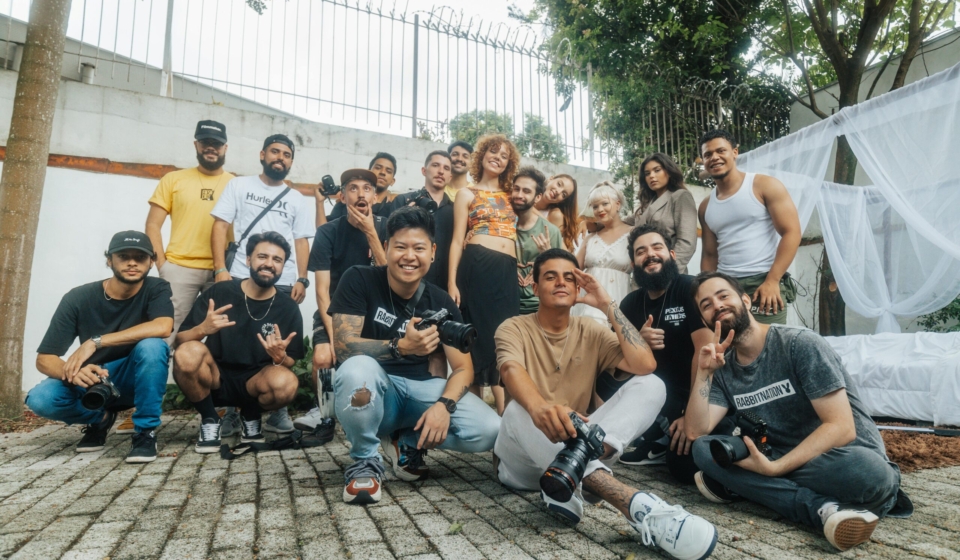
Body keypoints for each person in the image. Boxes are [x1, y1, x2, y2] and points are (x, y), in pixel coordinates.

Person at [494, 249, 718, 560]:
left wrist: (606, 304)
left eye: (569, 277)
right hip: (521, 462)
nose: (561, 282)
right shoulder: (513, 327)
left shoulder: (591, 330)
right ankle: (637, 505)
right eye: (550, 277)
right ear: (534, 287)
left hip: (577, 447)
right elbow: (510, 369)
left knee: (653, 385)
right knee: (518, 409)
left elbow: (645, 364)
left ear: (578, 287)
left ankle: (572, 477)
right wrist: (541, 408)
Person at [686, 271, 912, 552]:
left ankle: (747, 486)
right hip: (783, 457)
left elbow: (841, 428)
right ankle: (823, 510)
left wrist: (774, 469)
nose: (717, 305)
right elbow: (696, 431)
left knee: (871, 472)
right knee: (703, 450)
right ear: (705, 320)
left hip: (839, 459)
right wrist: (704, 373)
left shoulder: (798, 343)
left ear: (745, 300)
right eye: (706, 305)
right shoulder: (723, 367)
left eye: (723, 296)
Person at [329, 207, 501, 504]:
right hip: (377, 393)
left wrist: (444, 406)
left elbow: (463, 369)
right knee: (357, 369)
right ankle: (365, 461)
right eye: (401, 247)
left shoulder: (440, 301)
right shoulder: (359, 278)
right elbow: (344, 347)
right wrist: (401, 347)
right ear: (386, 247)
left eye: (419, 248)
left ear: (432, 252)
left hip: (420, 393)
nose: (409, 256)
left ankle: (406, 439)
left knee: (490, 429)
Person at [26, 231, 173, 463]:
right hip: (92, 381)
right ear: (109, 260)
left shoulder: (156, 288)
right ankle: (100, 419)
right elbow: (44, 358)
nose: (132, 262)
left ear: (151, 262)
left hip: (133, 376)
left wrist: (96, 341)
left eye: (140, 257)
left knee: (153, 346)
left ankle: (145, 432)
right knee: (40, 398)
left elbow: (163, 326)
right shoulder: (78, 297)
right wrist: (74, 373)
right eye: (123, 256)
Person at [210, 134, 313, 434]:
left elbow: (301, 240)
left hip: (283, 281)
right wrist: (220, 269)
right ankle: (232, 410)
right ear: (262, 154)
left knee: (276, 344)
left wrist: (302, 278)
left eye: (286, 154)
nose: (280, 158)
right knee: (234, 341)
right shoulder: (239, 185)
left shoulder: (296, 198)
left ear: (291, 162)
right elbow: (220, 225)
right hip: (240, 276)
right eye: (274, 151)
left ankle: (278, 411)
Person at [173, 232, 304, 454]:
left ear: (283, 266)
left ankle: (250, 415)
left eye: (277, 259)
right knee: (187, 353)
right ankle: (209, 418)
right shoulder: (220, 291)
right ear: (248, 259)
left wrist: (280, 357)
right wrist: (202, 329)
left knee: (287, 383)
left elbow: (290, 361)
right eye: (262, 256)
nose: (269, 264)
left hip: (256, 381)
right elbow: (179, 341)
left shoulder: (287, 307)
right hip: (215, 377)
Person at [615, 226, 714, 481]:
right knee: (606, 375)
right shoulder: (630, 303)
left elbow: (705, 354)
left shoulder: (690, 288)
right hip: (656, 393)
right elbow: (614, 363)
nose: (650, 254)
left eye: (657, 247)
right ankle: (651, 432)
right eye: (641, 251)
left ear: (671, 254)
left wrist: (690, 413)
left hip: (698, 393)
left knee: (683, 468)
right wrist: (637, 341)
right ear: (633, 264)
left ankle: (665, 435)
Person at [299, 169, 388, 432]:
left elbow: (390, 278)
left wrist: (371, 233)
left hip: (375, 313)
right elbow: (322, 291)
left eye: (367, 188)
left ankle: (380, 413)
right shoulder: (328, 232)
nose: (361, 194)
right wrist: (335, 338)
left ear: (374, 196)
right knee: (323, 357)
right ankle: (324, 413)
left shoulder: (387, 227)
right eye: (353, 188)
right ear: (342, 196)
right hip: (335, 311)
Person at [449, 134, 520, 414]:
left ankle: (506, 418)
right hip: (476, 268)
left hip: (506, 271)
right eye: (493, 152)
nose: (498, 158)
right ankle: (478, 417)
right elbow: (457, 240)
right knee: (476, 341)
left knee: (504, 338)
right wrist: (452, 282)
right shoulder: (466, 193)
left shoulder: (513, 193)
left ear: (508, 163)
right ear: (482, 155)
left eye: (504, 156)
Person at [698, 130, 801, 324]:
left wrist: (773, 280)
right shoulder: (705, 206)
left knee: (767, 341)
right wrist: (708, 290)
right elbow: (710, 255)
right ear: (703, 160)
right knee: (730, 342)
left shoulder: (764, 185)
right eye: (708, 154)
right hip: (726, 287)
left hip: (763, 282)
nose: (714, 157)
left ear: (735, 152)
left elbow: (791, 232)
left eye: (721, 151)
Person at [571, 182, 636, 325]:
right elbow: (573, 269)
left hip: (619, 298)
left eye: (605, 204)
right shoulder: (590, 237)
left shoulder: (634, 234)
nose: (600, 209)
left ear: (618, 204)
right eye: (595, 206)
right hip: (588, 304)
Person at [390, 151, 454, 289]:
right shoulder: (403, 201)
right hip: (405, 284)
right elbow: (388, 240)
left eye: (446, 168)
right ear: (424, 171)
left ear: (450, 177)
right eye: (435, 165)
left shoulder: (455, 210)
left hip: (443, 288)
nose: (441, 171)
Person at [632, 153, 698, 273]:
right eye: (647, 173)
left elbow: (687, 243)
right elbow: (621, 221)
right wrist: (596, 224)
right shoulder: (647, 205)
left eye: (657, 170)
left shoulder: (680, 196)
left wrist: (668, 272)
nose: (652, 176)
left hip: (670, 273)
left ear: (669, 171)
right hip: (645, 274)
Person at [512, 166, 564, 315]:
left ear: (538, 197)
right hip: (505, 303)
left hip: (538, 308)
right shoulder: (500, 224)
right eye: (516, 189)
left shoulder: (551, 231)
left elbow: (559, 273)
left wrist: (546, 256)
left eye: (527, 191)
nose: (519, 195)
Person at [326, 152, 400, 221]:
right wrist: (320, 202)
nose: (382, 172)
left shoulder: (395, 209)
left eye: (388, 171)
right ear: (368, 172)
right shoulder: (345, 202)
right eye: (378, 168)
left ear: (392, 181)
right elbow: (326, 229)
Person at [533, 173, 578, 251]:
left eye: (564, 195)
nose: (558, 191)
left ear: (562, 201)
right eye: (559, 184)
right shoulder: (525, 194)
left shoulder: (555, 215)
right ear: (550, 179)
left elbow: (558, 248)